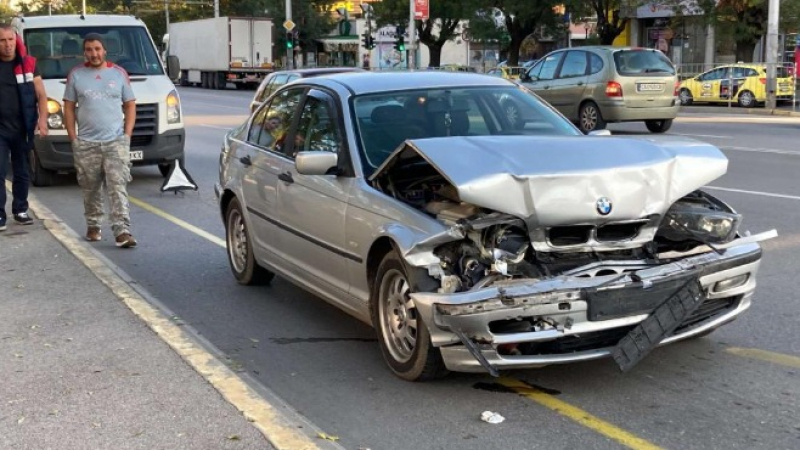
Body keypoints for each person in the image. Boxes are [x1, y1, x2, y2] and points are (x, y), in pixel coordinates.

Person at [63, 33, 137, 248]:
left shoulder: (118, 73)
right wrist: (73, 137)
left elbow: (130, 104)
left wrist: (127, 135)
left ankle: (122, 231)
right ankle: (93, 225)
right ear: (84, 52)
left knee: (118, 186)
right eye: (89, 49)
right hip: (86, 142)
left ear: (105, 51)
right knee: (90, 186)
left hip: (115, 141)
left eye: (97, 49)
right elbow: (68, 106)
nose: (94, 53)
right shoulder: (76, 75)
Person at [0, 24, 48, 232]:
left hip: (22, 127)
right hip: (0, 130)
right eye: (2, 40)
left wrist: (43, 120)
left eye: (10, 39)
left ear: (16, 40)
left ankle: (20, 209)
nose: (7, 45)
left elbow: (41, 95)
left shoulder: (28, 64)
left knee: (21, 170)